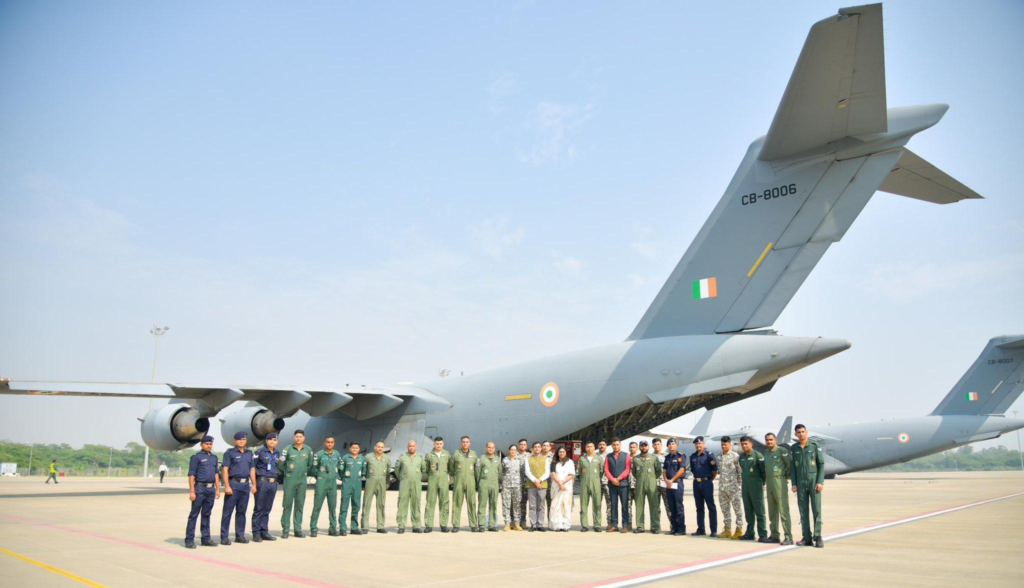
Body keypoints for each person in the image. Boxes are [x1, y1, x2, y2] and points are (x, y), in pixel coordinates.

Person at [790, 424, 825, 548]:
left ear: (807, 432)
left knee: (816, 510)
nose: (801, 434)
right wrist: (794, 483)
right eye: (798, 432)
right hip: (800, 483)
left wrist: (820, 481)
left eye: (803, 432)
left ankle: (818, 537)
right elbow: (793, 467)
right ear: (795, 434)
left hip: (813, 482)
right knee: (803, 511)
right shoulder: (794, 448)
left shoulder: (815, 446)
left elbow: (821, 464)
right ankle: (806, 537)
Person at [184, 435, 220, 549]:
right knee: (194, 514)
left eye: (210, 444)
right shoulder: (196, 457)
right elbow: (191, 474)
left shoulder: (214, 458)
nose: (209, 446)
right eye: (206, 444)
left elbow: (216, 474)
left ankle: (206, 538)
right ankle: (189, 540)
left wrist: (218, 489)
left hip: (210, 489)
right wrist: (192, 491)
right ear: (201, 445)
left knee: (206, 514)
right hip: (199, 488)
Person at [220, 431, 254, 544]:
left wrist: (254, 484)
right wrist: (227, 486)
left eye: (243, 439)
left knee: (242, 512)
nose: (241, 441)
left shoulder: (249, 453)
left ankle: (240, 535)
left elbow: (252, 470)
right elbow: (225, 470)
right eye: (239, 439)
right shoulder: (230, 453)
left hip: (245, 485)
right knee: (227, 512)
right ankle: (224, 537)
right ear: (235, 441)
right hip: (233, 484)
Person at [279, 429, 313, 538]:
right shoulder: (287, 449)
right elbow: (281, 464)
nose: (298, 438)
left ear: (304, 438)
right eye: (296, 436)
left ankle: (298, 529)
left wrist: (302, 473)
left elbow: (310, 464)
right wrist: (288, 473)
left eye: (300, 437)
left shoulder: (308, 450)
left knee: (299, 505)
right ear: (294, 438)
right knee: (287, 504)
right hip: (290, 480)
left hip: (302, 480)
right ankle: (285, 529)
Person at [738, 436, 770, 543]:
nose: (744, 446)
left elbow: (763, 472)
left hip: (756, 487)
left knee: (759, 511)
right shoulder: (741, 457)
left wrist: (763, 484)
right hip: (745, 487)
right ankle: (750, 533)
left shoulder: (758, 456)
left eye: (746, 443)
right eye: (742, 444)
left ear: (751, 444)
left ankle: (762, 534)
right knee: (748, 510)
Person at [764, 432, 793, 545]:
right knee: (772, 510)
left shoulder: (782, 451)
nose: (769, 442)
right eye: (767, 440)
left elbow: (788, 466)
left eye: (771, 439)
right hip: (769, 482)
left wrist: (784, 478)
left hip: (779, 482)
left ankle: (788, 536)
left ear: (775, 440)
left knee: (783, 509)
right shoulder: (766, 452)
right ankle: (774, 535)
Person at [310, 436, 342, 537]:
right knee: (317, 506)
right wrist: (320, 477)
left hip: (332, 482)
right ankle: (314, 528)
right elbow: (313, 469)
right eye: (328, 442)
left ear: (334, 443)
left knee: (332, 507)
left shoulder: (337, 454)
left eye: (332, 442)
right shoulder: (319, 455)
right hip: (321, 482)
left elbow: (339, 466)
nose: (330, 444)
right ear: (324, 443)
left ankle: (332, 528)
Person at [251, 432, 280, 542]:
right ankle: (256, 533)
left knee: (267, 508)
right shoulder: (260, 452)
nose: (272, 441)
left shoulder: (277, 453)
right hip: (262, 482)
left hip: (273, 483)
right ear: (266, 441)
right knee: (259, 508)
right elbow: (252, 468)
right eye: (270, 439)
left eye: (275, 440)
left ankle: (264, 531)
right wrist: (254, 484)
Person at [449, 436, 479, 532]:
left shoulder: (474, 455)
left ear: (469, 443)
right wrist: (457, 477)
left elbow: (477, 470)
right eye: (463, 442)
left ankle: (473, 525)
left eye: (467, 442)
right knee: (457, 503)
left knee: (472, 503)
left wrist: (476, 482)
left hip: (470, 481)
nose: (465, 443)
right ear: (460, 443)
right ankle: (456, 525)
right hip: (459, 482)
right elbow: (452, 469)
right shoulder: (456, 455)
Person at [689, 436, 718, 536]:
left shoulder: (709, 455)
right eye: (696, 444)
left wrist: (709, 479)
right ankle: (701, 529)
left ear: (703, 444)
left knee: (711, 506)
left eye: (700, 443)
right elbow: (692, 469)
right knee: (699, 507)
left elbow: (715, 470)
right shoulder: (693, 456)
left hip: (706, 483)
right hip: (696, 483)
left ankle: (713, 530)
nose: (698, 445)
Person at [716, 436, 744, 539]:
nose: (724, 446)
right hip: (722, 488)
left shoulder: (735, 456)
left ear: (730, 444)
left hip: (733, 487)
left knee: (737, 509)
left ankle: (739, 529)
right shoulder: (719, 457)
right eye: (722, 445)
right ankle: (727, 529)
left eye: (725, 445)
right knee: (725, 509)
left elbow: (739, 472)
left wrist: (739, 485)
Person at [631, 440, 661, 534]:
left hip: (651, 484)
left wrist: (651, 478)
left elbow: (658, 471)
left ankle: (655, 527)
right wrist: (641, 478)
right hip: (640, 484)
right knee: (639, 505)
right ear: (639, 447)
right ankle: (640, 526)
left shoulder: (653, 458)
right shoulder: (635, 459)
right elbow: (634, 472)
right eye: (642, 446)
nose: (644, 447)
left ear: (648, 447)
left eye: (645, 446)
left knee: (654, 505)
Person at [396, 439, 426, 534]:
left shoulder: (420, 458)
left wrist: (417, 478)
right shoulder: (402, 457)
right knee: (402, 504)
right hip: (405, 482)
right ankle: (401, 525)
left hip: (416, 483)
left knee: (416, 504)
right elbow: (397, 470)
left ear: (416, 447)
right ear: (407, 447)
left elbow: (424, 469)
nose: (411, 447)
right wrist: (402, 478)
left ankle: (416, 526)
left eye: (413, 446)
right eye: (410, 446)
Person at [362, 440, 391, 534]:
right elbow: (364, 469)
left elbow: (388, 470)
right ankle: (365, 526)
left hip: (382, 482)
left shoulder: (387, 458)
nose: (380, 448)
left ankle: (380, 526)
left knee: (381, 504)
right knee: (366, 504)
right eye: (378, 446)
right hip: (370, 481)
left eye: (382, 447)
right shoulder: (368, 457)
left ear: (384, 448)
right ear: (375, 447)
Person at [423, 437, 451, 533]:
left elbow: (450, 467)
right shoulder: (429, 455)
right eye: (437, 444)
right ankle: (429, 525)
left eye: (440, 444)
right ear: (434, 444)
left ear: (443, 444)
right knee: (430, 502)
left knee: (444, 502)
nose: (439, 445)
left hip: (443, 481)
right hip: (433, 481)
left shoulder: (447, 454)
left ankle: (443, 525)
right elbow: (426, 468)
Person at [603, 438, 631, 533]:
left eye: (617, 444)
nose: (616, 446)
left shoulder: (626, 456)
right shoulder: (608, 456)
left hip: (623, 484)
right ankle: (614, 525)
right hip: (612, 485)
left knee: (624, 506)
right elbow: (606, 470)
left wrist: (619, 478)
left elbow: (627, 469)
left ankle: (625, 525)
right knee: (613, 505)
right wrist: (613, 479)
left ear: (620, 445)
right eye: (614, 445)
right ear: (612, 446)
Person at [338, 441, 366, 536]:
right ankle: (342, 528)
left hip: (357, 484)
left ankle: (354, 527)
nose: (355, 449)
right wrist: (345, 479)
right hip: (347, 483)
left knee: (356, 506)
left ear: (359, 449)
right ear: (350, 449)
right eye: (353, 448)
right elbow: (341, 470)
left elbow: (363, 472)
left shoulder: (362, 459)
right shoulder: (345, 458)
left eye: (356, 448)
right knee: (344, 505)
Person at [576, 441, 603, 532]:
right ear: (585, 448)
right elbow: (579, 471)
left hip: (596, 483)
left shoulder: (599, 458)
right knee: (583, 504)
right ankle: (585, 525)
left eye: (591, 446)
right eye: (587, 447)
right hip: (584, 482)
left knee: (597, 504)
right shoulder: (582, 459)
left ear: (594, 447)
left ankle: (597, 525)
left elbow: (601, 472)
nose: (589, 448)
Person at [663, 438, 687, 535]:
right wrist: (665, 479)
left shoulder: (680, 456)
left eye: (673, 444)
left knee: (678, 506)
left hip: (677, 483)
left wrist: (672, 480)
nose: (671, 446)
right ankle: (674, 528)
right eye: (669, 444)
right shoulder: (667, 457)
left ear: (676, 445)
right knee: (671, 507)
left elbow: (681, 470)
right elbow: (664, 470)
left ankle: (681, 529)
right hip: (669, 484)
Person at [476, 441, 501, 532]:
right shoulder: (481, 459)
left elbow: (499, 471)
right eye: (489, 447)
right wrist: (480, 483)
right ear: (486, 448)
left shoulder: (497, 459)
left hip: (494, 484)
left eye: (492, 447)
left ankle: (492, 525)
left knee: (493, 504)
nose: (491, 449)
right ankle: (482, 525)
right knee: (482, 504)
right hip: (484, 483)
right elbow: (477, 472)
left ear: (494, 448)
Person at [525, 442, 550, 531]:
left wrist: (540, 480)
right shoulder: (528, 459)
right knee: (532, 506)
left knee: (541, 505)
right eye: (535, 447)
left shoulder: (545, 459)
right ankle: (533, 524)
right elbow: (527, 472)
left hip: (542, 485)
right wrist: (535, 481)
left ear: (541, 449)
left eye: (539, 447)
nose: (537, 448)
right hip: (531, 485)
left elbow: (547, 472)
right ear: (532, 449)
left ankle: (540, 524)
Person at [549, 446, 575, 531]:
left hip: (566, 486)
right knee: (556, 505)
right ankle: (556, 525)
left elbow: (571, 475)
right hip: (556, 486)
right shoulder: (554, 462)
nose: (562, 453)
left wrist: (563, 482)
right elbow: (553, 474)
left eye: (563, 452)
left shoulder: (570, 462)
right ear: (557, 453)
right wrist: (560, 483)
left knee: (566, 505)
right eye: (560, 452)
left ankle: (565, 525)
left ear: (566, 453)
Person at [501, 445, 525, 531]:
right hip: (506, 486)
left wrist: (520, 483)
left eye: (514, 450)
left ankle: (517, 524)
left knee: (517, 505)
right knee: (506, 505)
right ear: (509, 451)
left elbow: (522, 473)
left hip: (517, 486)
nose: (513, 451)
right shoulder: (505, 460)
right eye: (511, 449)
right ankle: (507, 523)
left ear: (516, 451)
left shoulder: (520, 461)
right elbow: (502, 472)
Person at [652, 438, 669, 523]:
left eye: (658, 444)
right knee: (655, 507)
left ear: (661, 445)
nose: (656, 446)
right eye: (655, 444)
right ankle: (656, 525)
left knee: (668, 506)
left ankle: (672, 525)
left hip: (664, 484)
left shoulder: (667, 456)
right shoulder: (650, 457)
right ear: (652, 446)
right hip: (654, 485)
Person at [597, 439, 612, 530]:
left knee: (609, 503)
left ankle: (609, 523)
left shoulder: (610, 456)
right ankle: (597, 523)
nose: (602, 446)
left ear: (606, 446)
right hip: (597, 483)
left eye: (603, 444)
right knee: (597, 503)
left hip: (607, 482)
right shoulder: (595, 456)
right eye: (600, 444)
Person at [516, 438, 530, 529]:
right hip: (516, 483)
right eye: (521, 444)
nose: (522, 446)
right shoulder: (514, 455)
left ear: (526, 446)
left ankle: (523, 521)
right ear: (518, 446)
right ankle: (515, 521)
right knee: (515, 503)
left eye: (524, 444)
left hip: (526, 483)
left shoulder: (529, 456)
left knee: (524, 503)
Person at [627, 441, 639, 529]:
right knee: (627, 507)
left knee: (639, 506)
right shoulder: (625, 458)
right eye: (631, 447)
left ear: (637, 448)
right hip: (627, 486)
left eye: (634, 447)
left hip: (638, 486)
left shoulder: (640, 458)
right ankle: (629, 524)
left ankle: (639, 525)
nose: (632, 448)